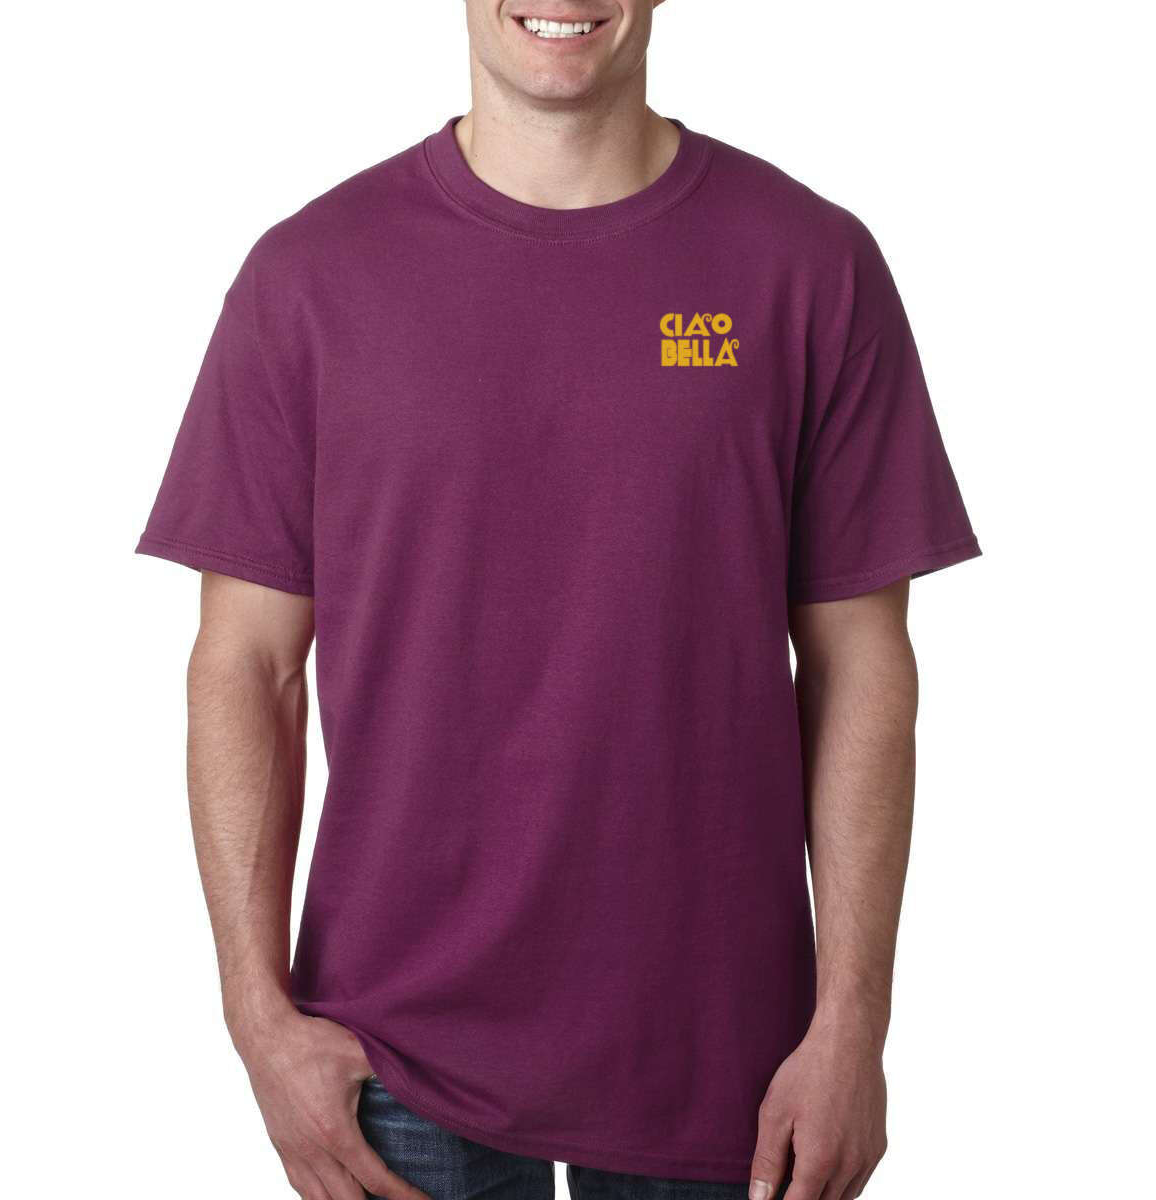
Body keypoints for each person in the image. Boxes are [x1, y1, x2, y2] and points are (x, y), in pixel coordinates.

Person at [137, 3, 979, 1198]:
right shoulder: (311, 278)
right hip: (395, 1061)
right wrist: (255, 1019)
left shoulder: (808, 266)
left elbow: (863, 666)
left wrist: (853, 1024)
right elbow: (244, 665)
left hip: (728, 1060)